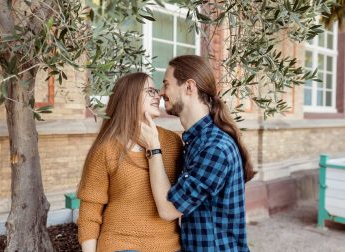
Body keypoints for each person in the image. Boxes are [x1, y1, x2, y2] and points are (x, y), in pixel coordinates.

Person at [139, 55, 256, 252]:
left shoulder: (214, 148)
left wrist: (153, 147)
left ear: (189, 87)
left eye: (166, 84)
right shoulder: (196, 141)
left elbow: (168, 209)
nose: (161, 93)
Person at [77, 72, 183, 252]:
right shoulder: (106, 148)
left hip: (169, 246)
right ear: (130, 97)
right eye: (150, 91)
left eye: (156, 90)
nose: (158, 96)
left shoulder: (173, 142)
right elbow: (90, 212)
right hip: (121, 243)